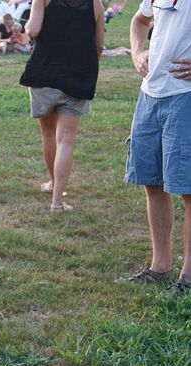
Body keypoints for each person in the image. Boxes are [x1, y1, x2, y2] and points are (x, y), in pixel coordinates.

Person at [124, 0, 191, 294]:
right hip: (150, 95)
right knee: (153, 183)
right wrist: (138, 52)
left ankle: (188, 279)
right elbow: (139, 21)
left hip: (186, 96)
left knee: (189, 191)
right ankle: (160, 267)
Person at [19, 0, 105, 212]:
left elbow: (33, 29)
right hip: (78, 76)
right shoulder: (96, 4)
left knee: (48, 134)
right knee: (66, 140)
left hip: (45, 71)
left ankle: (52, 183)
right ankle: (57, 201)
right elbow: (99, 45)